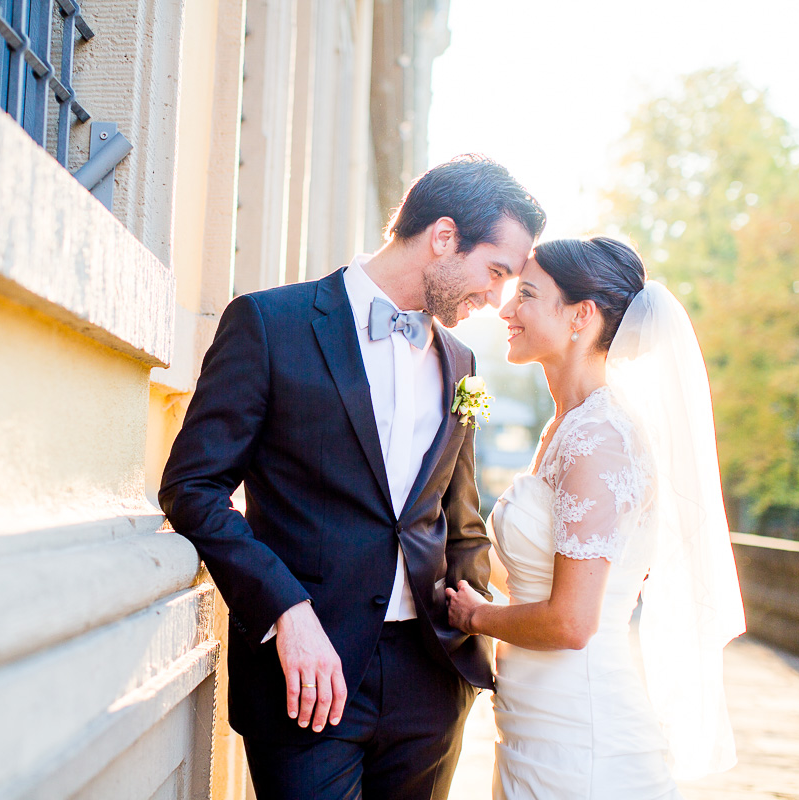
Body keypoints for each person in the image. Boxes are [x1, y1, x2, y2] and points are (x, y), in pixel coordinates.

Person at [159, 155, 546, 800]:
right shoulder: (268, 325)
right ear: (443, 238)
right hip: (309, 675)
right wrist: (285, 609)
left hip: (430, 680)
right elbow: (191, 486)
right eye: (496, 270)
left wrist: (471, 643)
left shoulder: (460, 361)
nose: (496, 297)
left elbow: (459, 516)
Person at [446, 237, 746, 799]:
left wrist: (474, 616)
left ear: (582, 315)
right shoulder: (568, 428)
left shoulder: (599, 438)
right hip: (534, 727)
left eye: (527, 294)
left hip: (582, 739)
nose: (506, 309)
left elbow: (571, 623)